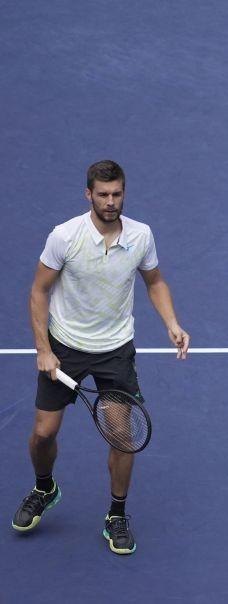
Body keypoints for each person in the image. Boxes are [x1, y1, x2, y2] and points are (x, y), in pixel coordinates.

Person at [12, 160, 190, 554]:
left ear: (124, 193)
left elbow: (155, 281)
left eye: (117, 194)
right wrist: (43, 350)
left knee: (122, 437)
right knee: (43, 434)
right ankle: (44, 488)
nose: (111, 202)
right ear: (88, 194)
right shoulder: (64, 236)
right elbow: (39, 291)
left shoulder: (141, 235)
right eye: (103, 194)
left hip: (115, 351)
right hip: (65, 347)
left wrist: (172, 323)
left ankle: (117, 514)